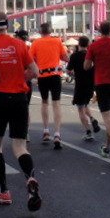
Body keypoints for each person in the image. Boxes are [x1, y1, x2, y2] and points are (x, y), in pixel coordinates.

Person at [0, 11, 41, 210]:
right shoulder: (20, 44)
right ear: (7, 25)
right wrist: (19, 76)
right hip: (19, 98)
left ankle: (4, 191)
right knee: (20, 147)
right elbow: (35, 71)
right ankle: (30, 177)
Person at [83, 21, 110, 165]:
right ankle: (107, 147)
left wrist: (96, 63)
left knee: (106, 116)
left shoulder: (94, 46)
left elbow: (86, 66)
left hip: (102, 83)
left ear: (99, 31)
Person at [29, 21, 68, 149]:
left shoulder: (35, 43)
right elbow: (65, 57)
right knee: (56, 103)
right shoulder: (57, 42)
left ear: (40, 32)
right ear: (51, 31)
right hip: (55, 75)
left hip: (42, 76)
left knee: (44, 102)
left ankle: (46, 130)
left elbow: (30, 59)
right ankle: (57, 133)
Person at [66, 35, 101, 141]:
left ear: (79, 44)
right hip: (91, 84)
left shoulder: (75, 56)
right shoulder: (91, 55)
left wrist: (72, 72)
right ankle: (92, 118)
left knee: (80, 108)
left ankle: (88, 131)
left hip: (80, 84)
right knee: (85, 104)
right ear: (88, 44)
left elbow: (68, 71)